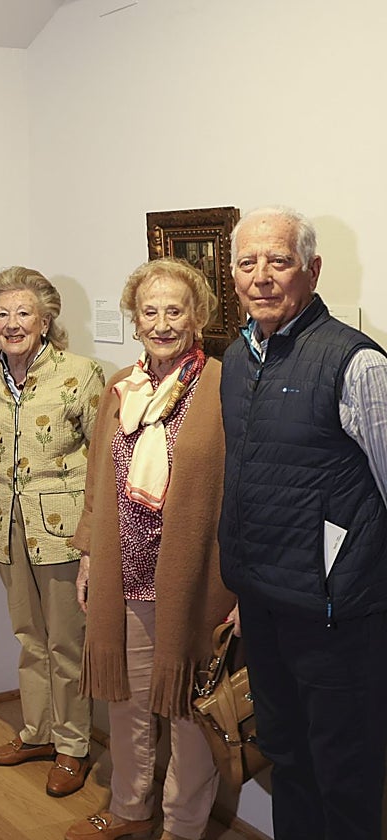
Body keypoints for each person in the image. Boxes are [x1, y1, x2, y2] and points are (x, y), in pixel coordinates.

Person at [219, 206, 387, 840]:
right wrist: (244, 590)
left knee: (344, 773)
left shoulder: (356, 362)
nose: (261, 277)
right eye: (247, 262)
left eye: (279, 261)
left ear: (312, 271)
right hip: (263, 605)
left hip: (336, 616)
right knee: (286, 758)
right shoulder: (238, 360)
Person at [64, 259, 235, 840]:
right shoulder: (120, 387)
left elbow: (241, 490)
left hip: (195, 579)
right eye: (150, 310)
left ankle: (183, 826)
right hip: (124, 571)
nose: (162, 323)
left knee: (188, 709)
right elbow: (96, 480)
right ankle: (130, 807)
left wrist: (243, 585)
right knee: (128, 699)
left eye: (175, 310)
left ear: (198, 317)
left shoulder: (222, 384)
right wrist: (89, 555)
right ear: (135, 320)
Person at [0, 266, 104, 798]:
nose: (12, 322)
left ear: (46, 321)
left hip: (64, 531)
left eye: (24, 313)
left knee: (67, 643)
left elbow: (101, 461)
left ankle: (73, 746)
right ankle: (37, 733)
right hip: (6, 526)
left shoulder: (83, 373)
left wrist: (94, 536)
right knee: (28, 637)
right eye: (2, 314)